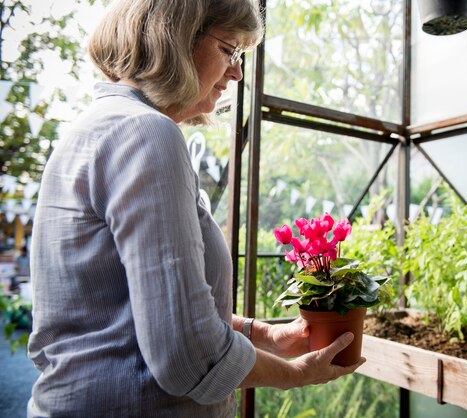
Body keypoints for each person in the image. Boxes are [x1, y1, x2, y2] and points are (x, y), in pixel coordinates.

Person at [27, 0, 365, 417]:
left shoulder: (94, 128)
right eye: (229, 50)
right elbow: (187, 354)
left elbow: (136, 312)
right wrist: (295, 373)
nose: (237, 72)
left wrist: (260, 334)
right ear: (176, 38)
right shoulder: (145, 133)